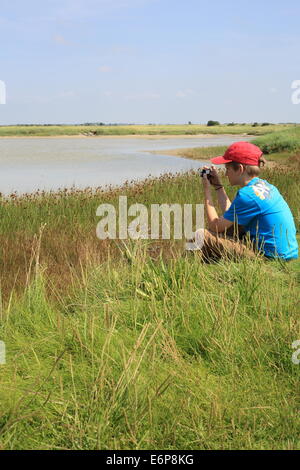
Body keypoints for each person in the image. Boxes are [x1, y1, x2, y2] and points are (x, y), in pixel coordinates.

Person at [188, 141, 298, 261]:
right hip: (284, 253)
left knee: (200, 235)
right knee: (230, 227)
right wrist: (218, 186)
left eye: (227, 169)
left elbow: (215, 226)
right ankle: (206, 262)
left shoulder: (247, 195)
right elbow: (232, 213)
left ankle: (186, 266)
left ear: (240, 169)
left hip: (268, 257)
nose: (225, 174)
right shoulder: (264, 186)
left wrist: (207, 190)